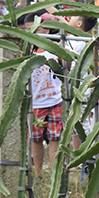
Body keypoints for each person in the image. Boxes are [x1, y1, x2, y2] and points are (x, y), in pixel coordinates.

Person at [28, 11, 66, 178]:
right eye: (33, 27)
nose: (38, 29)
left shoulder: (55, 48)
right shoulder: (26, 51)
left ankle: (54, 173)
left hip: (54, 100)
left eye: (41, 27)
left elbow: (66, 67)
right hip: (35, 103)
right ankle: (38, 173)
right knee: (36, 139)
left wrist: (63, 51)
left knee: (54, 138)